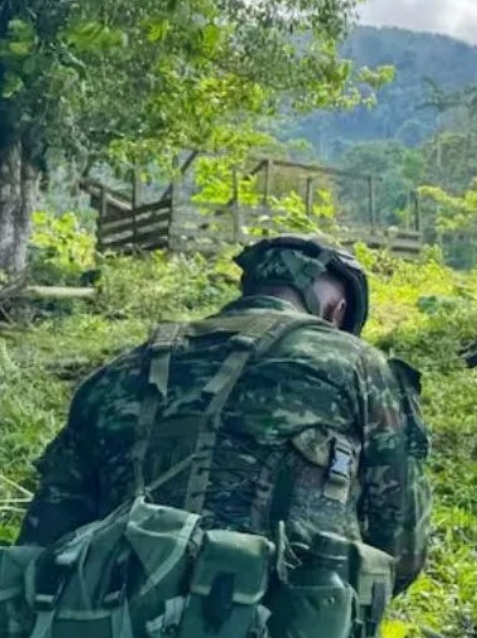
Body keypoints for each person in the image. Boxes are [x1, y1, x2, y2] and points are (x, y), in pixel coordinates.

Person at [19, 235, 433, 621]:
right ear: (337, 312)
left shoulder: (117, 374)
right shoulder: (359, 367)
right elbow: (401, 548)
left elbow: (42, 541)